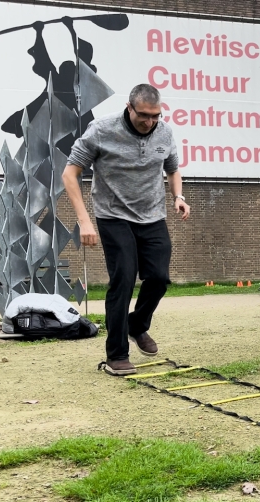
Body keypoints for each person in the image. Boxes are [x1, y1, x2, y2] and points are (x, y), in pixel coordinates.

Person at [62, 84, 190, 376]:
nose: (150, 122)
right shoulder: (101, 130)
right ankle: (117, 354)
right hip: (113, 216)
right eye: (144, 115)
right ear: (130, 108)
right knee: (123, 281)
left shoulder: (165, 132)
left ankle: (137, 325)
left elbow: (172, 169)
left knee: (159, 278)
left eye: (155, 116)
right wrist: (84, 220)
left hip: (152, 216)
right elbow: (70, 174)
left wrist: (178, 197)